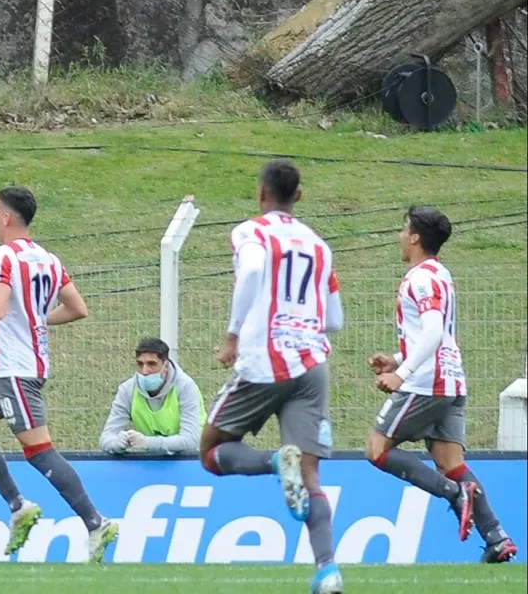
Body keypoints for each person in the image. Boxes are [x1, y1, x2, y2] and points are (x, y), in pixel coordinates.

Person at [0, 186, 119, 563]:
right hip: (12, 369)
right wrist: (35, 319)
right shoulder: (49, 259)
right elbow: (78, 308)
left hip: (16, 370)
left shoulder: (0, 256)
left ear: (6, 217)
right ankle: (19, 506)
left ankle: (96, 521)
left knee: (39, 451)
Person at [200, 159, 345, 594]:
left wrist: (231, 336)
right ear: (298, 197)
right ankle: (328, 571)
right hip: (312, 363)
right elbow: (334, 318)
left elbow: (252, 272)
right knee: (311, 476)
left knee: (211, 451)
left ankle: (271, 461)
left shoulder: (251, 232)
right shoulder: (320, 245)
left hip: (266, 360)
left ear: (261, 193)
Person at [365, 206, 517, 563]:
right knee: (451, 461)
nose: (401, 236)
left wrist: (402, 375)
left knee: (376, 449)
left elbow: (433, 331)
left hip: (425, 384)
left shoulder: (420, 278)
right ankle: (496, 537)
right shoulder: (441, 275)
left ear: (416, 237)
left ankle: (454, 494)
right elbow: (435, 335)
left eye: (404, 230)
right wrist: (397, 359)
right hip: (450, 380)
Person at [99, 337, 205, 456]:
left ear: (165, 365)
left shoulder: (186, 387)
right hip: (153, 459)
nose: (145, 371)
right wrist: (115, 444)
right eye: (140, 364)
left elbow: (191, 440)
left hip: (193, 460)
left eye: (152, 364)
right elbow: (106, 437)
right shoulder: (127, 389)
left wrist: (149, 443)